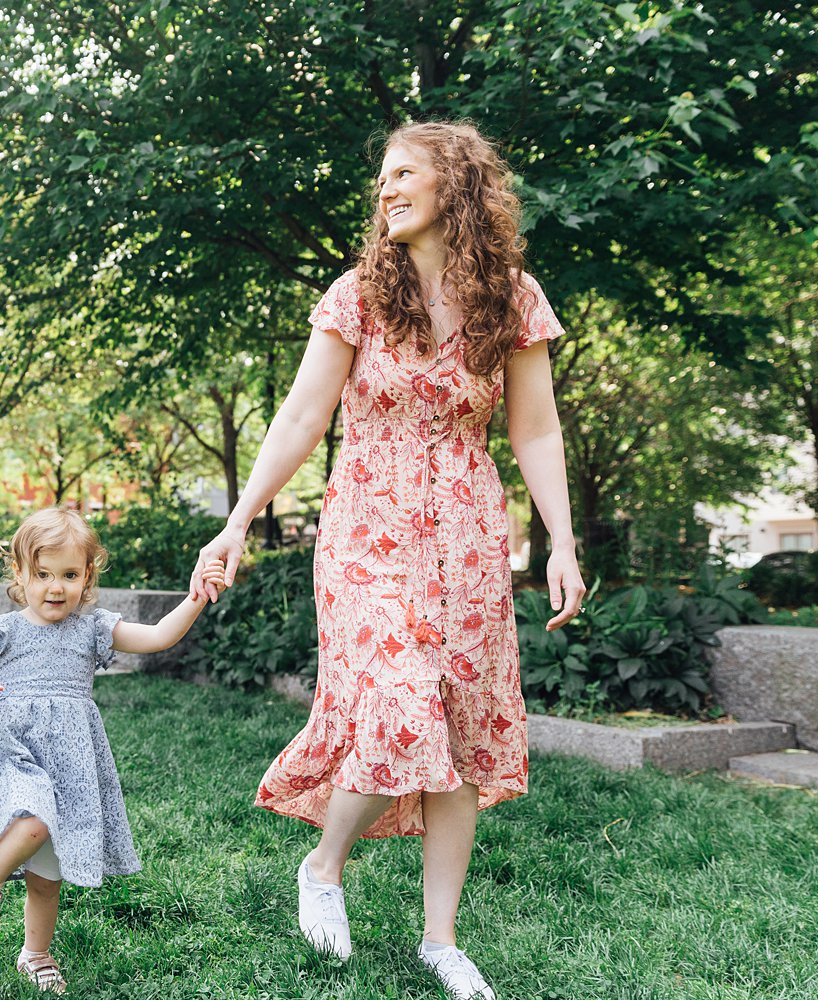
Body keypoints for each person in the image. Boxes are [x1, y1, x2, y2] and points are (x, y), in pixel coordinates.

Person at [189, 120, 586, 1000]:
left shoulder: (514, 298)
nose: (385, 189)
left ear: (457, 183)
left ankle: (439, 940)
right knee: (401, 698)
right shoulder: (359, 293)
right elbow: (301, 417)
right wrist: (240, 521)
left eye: (404, 172)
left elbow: (535, 428)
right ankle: (324, 866)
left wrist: (559, 540)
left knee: (461, 728)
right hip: (369, 526)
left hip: (471, 534)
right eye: (382, 177)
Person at [0, 506, 227, 994]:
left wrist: (196, 597)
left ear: (87, 575)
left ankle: (35, 953)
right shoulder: (0, 630)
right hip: (15, 754)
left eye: (69, 575)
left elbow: (159, 636)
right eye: (44, 574)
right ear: (20, 573)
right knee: (33, 822)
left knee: (47, 874)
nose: (56, 587)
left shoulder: (93, 628)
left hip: (70, 766)